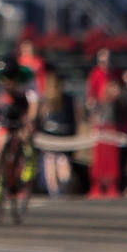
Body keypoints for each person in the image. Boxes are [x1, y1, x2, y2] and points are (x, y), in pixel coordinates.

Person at [0, 59, 38, 203]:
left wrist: (29, 121)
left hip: (24, 104)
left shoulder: (27, 75)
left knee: (26, 132)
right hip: (8, 105)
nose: (7, 83)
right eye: (5, 80)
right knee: (0, 145)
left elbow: (34, 104)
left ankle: (29, 161)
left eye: (11, 80)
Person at [36, 69, 78, 197]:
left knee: (51, 160)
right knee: (59, 160)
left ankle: (54, 191)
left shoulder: (47, 99)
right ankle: (61, 188)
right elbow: (74, 119)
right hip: (60, 135)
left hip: (52, 135)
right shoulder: (66, 99)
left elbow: (41, 119)